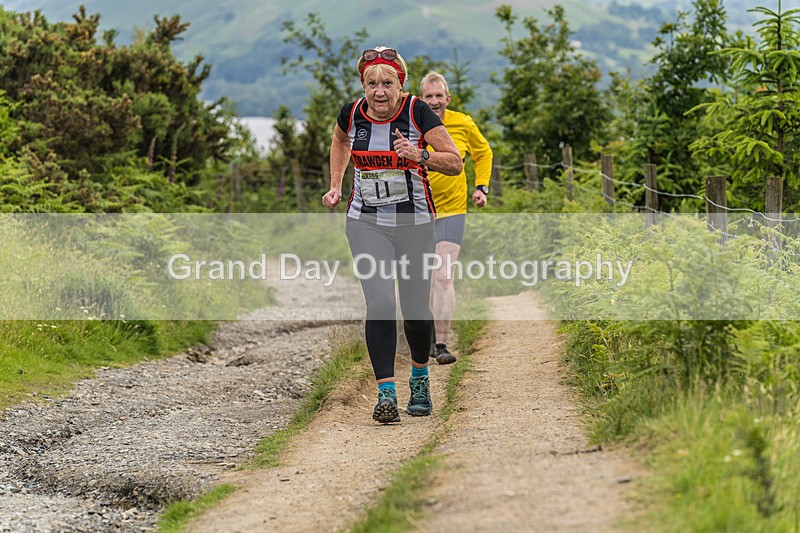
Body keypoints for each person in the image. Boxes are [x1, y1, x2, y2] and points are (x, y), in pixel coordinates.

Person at [322, 47, 463, 424]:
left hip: (414, 226)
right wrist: (336, 185)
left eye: (387, 83)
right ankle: (386, 392)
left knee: (415, 310)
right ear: (362, 86)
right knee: (381, 302)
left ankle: (419, 377)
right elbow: (340, 141)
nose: (379, 92)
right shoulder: (351, 113)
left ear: (400, 84)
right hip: (365, 223)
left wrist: (420, 155)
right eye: (371, 84)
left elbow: (455, 162)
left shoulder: (418, 112)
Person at [420, 71, 493, 365]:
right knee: (419, 278)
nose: (435, 101)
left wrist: (481, 186)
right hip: (417, 211)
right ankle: (420, 337)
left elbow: (483, 152)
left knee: (443, 275)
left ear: (447, 99)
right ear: (420, 99)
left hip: (452, 210)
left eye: (439, 96)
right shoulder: (412, 123)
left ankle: (441, 342)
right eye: (429, 96)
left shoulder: (463, 123)